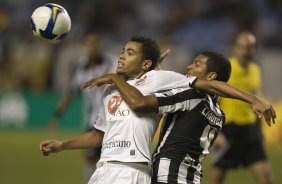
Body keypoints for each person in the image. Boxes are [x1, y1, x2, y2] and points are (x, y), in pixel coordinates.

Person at [81, 51, 276, 184]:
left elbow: (140, 102)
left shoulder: (191, 96)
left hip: (167, 174)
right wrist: (157, 74)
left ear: (211, 76)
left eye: (197, 64)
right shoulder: (218, 113)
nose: (189, 66)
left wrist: (120, 78)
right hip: (193, 176)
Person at [40, 36, 189, 184]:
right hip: (103, 170)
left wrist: (153, 67)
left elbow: (194, 84)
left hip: (130, 171)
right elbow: (97, 135)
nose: (122, 56)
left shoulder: (155, 81)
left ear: (146, 64)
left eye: (130, 53)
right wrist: (61, 145)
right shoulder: (110, 90)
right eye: (123, 51)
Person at [47, 32, 116, 181]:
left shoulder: (111, 63)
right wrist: (57, 115)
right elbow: (70, 93)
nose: (93, 47)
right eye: (89, 44)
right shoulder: (79, 66)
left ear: (100, 45)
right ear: (85, 45)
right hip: (91, 123)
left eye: (96, 44)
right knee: (91, 162)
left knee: (111, 161)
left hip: (113, 121)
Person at [208, 32, 273, 184]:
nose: (245, 51)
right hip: (229, 130)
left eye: (249, 48)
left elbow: (256, 100)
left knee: (265, 177)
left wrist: (260, 131)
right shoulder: (225, 69)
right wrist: (215, 133)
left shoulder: (255, 70)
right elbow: (211, 100)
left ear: (254, 49)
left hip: (250, 130)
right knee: (217, 178)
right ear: (235, 48)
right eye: (241, 47)